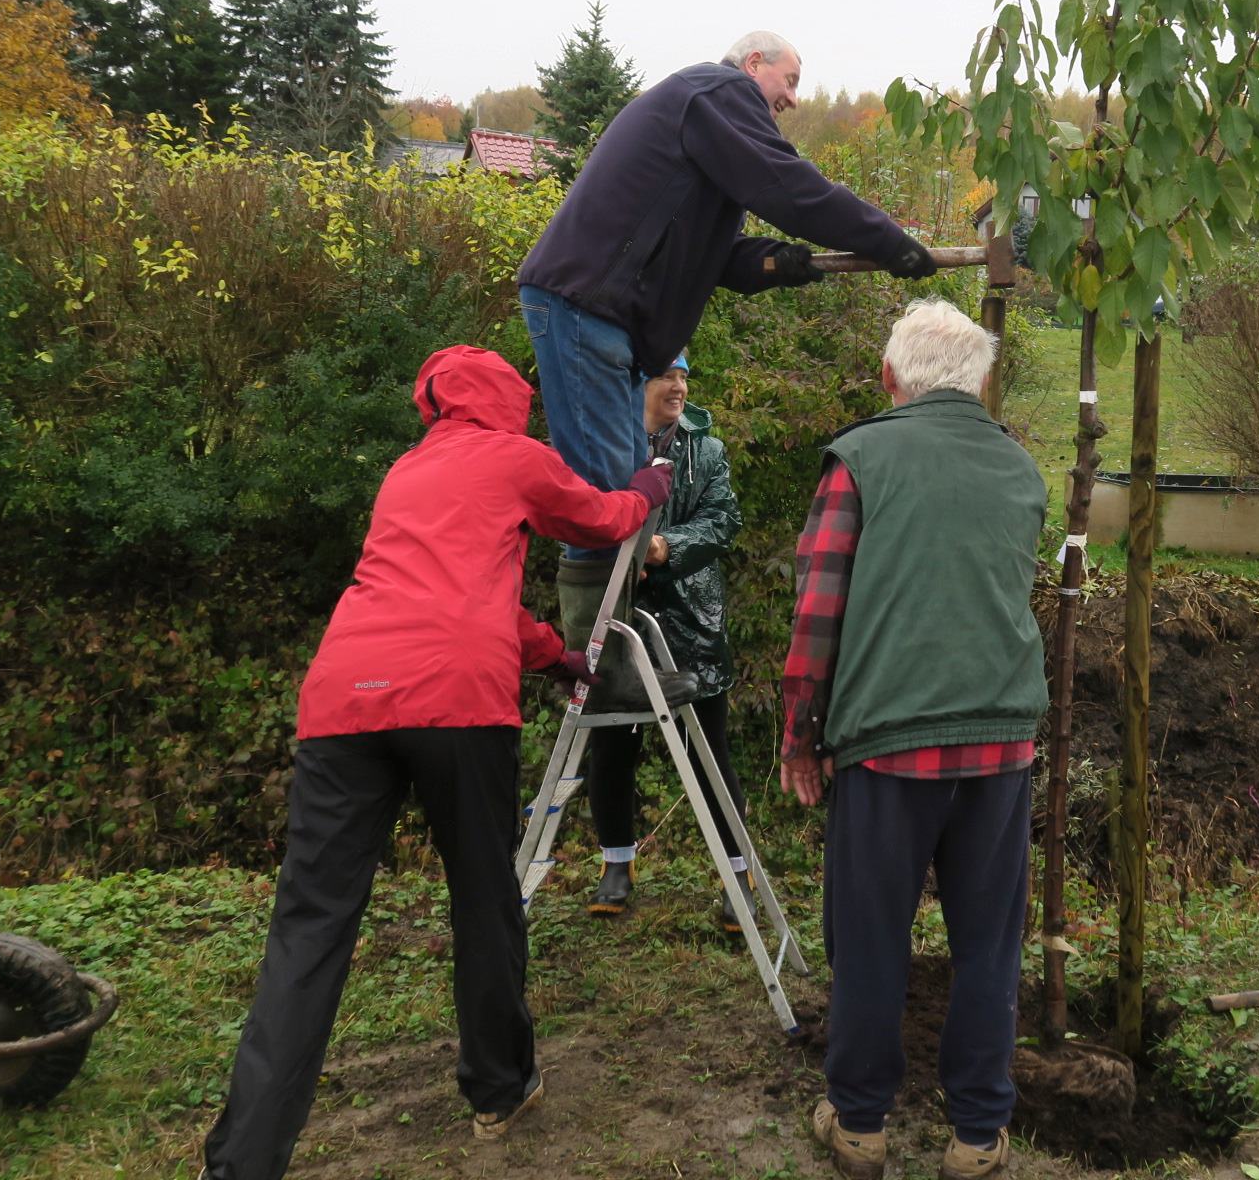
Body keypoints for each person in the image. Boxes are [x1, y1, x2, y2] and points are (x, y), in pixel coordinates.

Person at [197, 346, 673, 1180]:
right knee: (484, 898)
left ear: (434, 402)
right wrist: (650, 489)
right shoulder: (515, 456)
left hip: (344, 694)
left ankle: (239, 1164)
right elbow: (602, 520)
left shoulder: (406, 472)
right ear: (511, 401)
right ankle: (499, 1088)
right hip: (456, 697)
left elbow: (446, 588)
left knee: (308, 929)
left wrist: (550, 652)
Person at [513, 32, 935, 712]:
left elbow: (720, 254)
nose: (793, 99)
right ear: (752, 64)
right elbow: (789, 186)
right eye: (789, 80)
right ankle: (595, 671)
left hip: (605, 317)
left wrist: (782, 264)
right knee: (603, 492)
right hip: (584, 305)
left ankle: (607, 655)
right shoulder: (716, 94)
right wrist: (884, 239)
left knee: (625, 489)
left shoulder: (705, 133)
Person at [781, 300, 1047, 1180]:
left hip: (888, 743)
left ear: (891, 380)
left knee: (869, 936)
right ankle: (977, 1137)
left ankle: (859, 1125)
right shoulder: (1020, 466)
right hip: (1001, 741)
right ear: (979, 382)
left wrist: (800, 736)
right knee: (987, 946)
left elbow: (818, 609)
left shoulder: (861, 457)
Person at [583, 352, 753, 929]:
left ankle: (737, 875)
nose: (679, 385)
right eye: (667, 376)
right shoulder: (605, 447)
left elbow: (724, 519)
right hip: (616, 613)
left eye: (685, 375)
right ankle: (616, 863)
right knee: (611, 747)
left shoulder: (706, 449)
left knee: (711, 751)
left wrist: (667, 547)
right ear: (636, 385)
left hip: (689, 617)